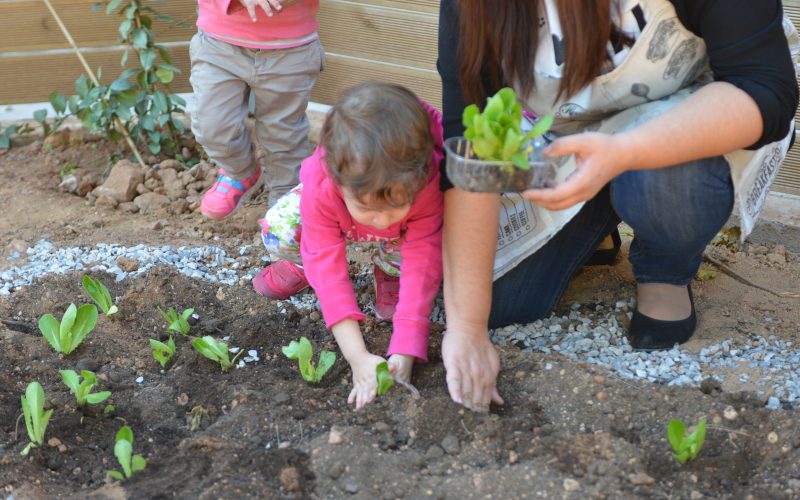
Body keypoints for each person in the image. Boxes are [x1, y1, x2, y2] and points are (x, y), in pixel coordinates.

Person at [437, 0, 799, 412]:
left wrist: (626, 151)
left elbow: (765, 89)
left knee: (663, 181)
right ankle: (596, 218)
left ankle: (665, 269)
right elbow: (471, 143)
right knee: (502, 304)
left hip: (686, 120)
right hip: (568, 133)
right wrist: (466, 328)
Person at [254, 83, 445, 409]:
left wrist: (405, 352)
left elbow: (423, 261)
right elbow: (331, 276)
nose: (382, 220)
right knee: (280, 228)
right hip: (330, 219)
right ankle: (303, 265)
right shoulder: (324, 185)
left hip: (404, 236)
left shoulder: (425, 181)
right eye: (369, 208)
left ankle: (388, 268)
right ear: (339, 182)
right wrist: (357, 356)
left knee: (421, 248)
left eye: (394, 206)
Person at [190, 0, 325, 216]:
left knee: (284, 135)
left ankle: (285, 210)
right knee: (212, 125)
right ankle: (240, 171)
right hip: (219, 44)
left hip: (291, 47)